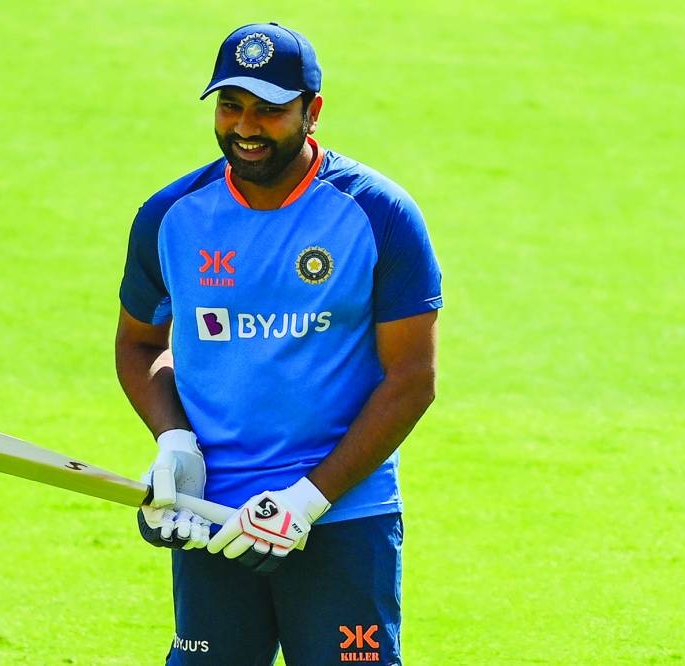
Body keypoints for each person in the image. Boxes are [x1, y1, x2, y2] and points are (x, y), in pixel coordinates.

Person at [115, 21, 442, 666]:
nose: (245, 126)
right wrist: (174, 442)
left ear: (311, 112)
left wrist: (307, 499)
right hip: (212, 518)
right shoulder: (171, 216)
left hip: (344, 518)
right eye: (231, 105)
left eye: (269, 110)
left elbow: (411, 378)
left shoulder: (379, 215)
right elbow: (138, 344)